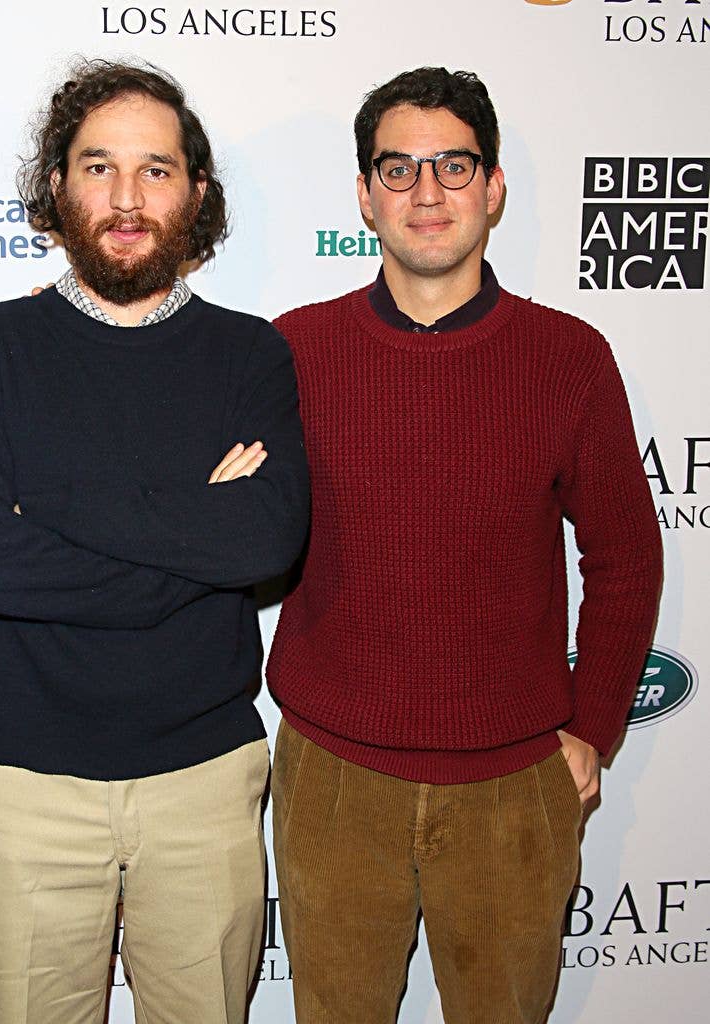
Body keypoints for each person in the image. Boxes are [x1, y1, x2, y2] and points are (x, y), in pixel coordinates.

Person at [267, 66, 662, 1024]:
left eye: (453, 164)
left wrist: (593, 728)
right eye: (398, 169)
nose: (428, 191)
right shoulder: (291, 351)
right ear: (364, 196)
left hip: (514, 789)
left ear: (492, 188)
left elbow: (625, 558)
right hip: (332, 781)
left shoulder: (569, 358)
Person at [0, 59, 309, 1024]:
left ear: (197, 193)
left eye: (157, 170)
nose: (127, 198)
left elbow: (265, 539)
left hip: (206, 784)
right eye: (99, 166)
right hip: (24, 788)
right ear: (57, 186)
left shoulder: (251, 354)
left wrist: (48, 510)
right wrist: (187, 519)